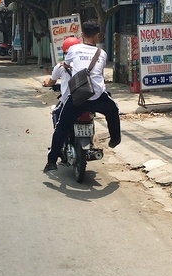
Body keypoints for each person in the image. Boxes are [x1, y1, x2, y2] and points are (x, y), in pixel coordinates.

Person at [43, 21, 121, 172]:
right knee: (113, 110)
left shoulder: (73, 49)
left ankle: (51, 162)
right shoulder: (102, 53)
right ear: (97, 36)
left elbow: (66, 64)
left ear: (82, 35)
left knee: (61, 127)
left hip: (78, 97)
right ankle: (115, 139)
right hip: (97, 95)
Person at [42, 36, 80, 128]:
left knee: (55, 112)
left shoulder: (61, 66)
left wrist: (46, 83)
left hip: (69, 100)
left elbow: (51, 82)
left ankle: (61, 139)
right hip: (87, 99)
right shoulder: (85, 64)